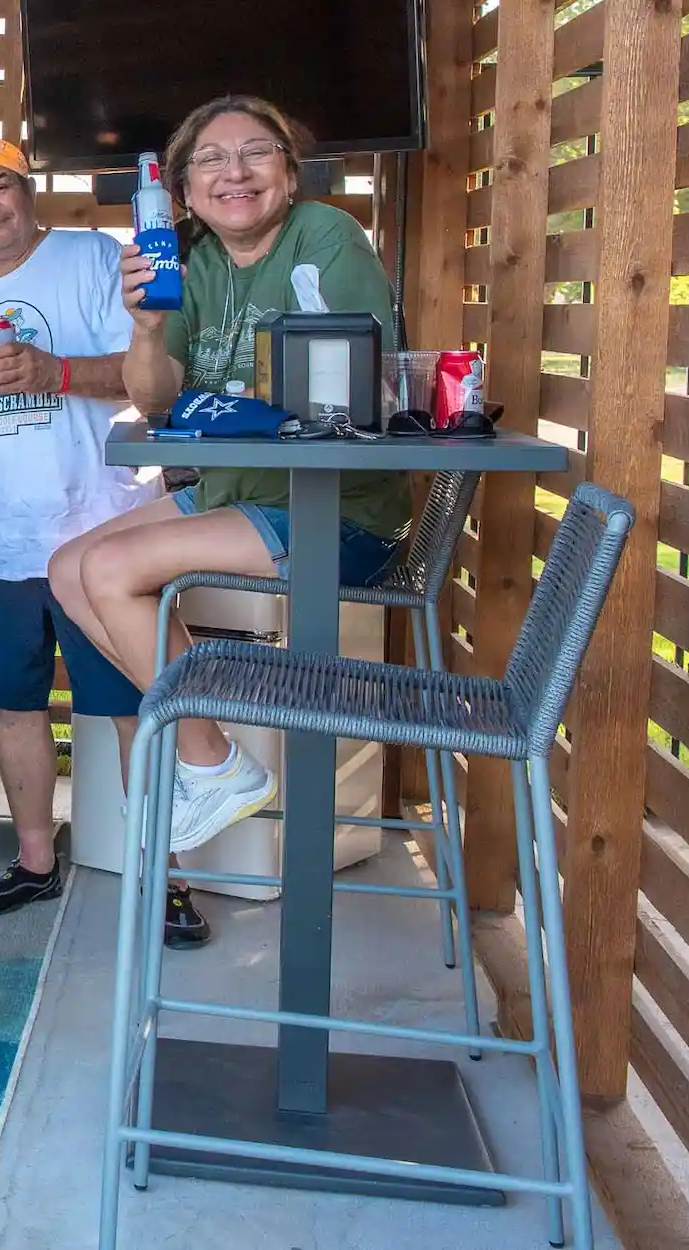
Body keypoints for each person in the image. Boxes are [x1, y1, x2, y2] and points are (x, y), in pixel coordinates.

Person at [50, 95, 412, 858]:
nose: (234, 172)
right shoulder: (195, 264)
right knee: (66, 570)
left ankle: (209, 760)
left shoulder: (326, 238)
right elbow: (153, 396)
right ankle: (202, 741)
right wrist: (147, 328)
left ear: (290, 170)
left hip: (336, 513)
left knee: (111, 570)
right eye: (210, 159)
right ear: (182, 190)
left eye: (256, 152)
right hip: (243, 493)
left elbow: (351, 387)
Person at [0, 140, 207, 946]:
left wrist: (55, 371)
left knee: (132, 712)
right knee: (11, 708)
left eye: (0, 186)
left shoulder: (91, 259)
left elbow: (158, 376)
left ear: (28, 193)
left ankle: (168, 880)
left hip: (102, 532)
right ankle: (35, 861)